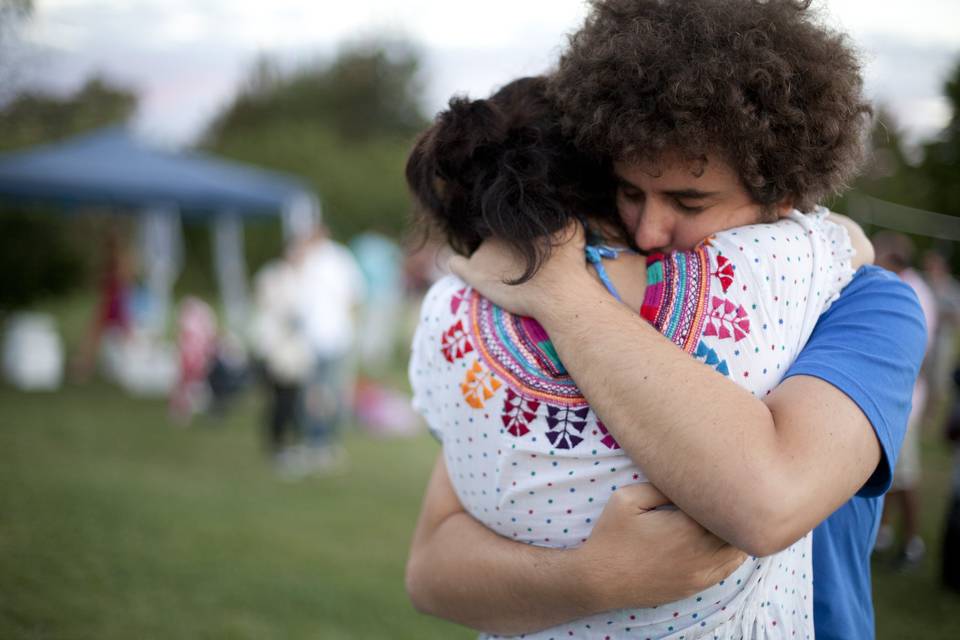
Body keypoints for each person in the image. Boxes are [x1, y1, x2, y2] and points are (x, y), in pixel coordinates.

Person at [405, 2, 927, 639]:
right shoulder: (563, 292)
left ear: (783, 193)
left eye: (689, 200)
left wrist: (559, 290)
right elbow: (431, 569)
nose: (649, 230)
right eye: (629, 191)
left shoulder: (868, 306)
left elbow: (768, 503)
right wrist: (594, 577)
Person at [872, 232, 937, 569]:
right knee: (891, 474)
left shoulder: (912, 292)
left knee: (905, 476)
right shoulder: (902, 284)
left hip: (904, 401)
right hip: (897, 397)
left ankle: (912, 542)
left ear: (894, 258)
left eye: (880, 254)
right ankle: (883, 533)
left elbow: (916, 353)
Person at [296, 224, 366, 472]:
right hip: (331, 336)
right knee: (327, 393)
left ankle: (319, 441)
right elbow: (355, 297)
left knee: (318, 393)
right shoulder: (337, 258)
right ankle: (322, 442)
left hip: (321, 336)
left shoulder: (314, 259)